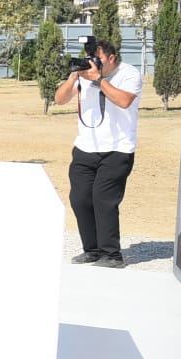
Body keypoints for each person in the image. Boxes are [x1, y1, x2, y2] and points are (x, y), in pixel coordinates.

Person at [54, 36, 141, 269]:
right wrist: (74, 75)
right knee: (79, 199)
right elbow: (59, 100)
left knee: (104, 200)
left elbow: (124, 101)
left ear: (111, 58)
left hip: (117, 149)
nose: (92, 63)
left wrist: (99, 80)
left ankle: (112, 255)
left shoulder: (129, 73)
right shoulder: (83, 76)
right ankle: (91, 250)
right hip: (85, 147)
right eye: (89, 58)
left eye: (98, 59)